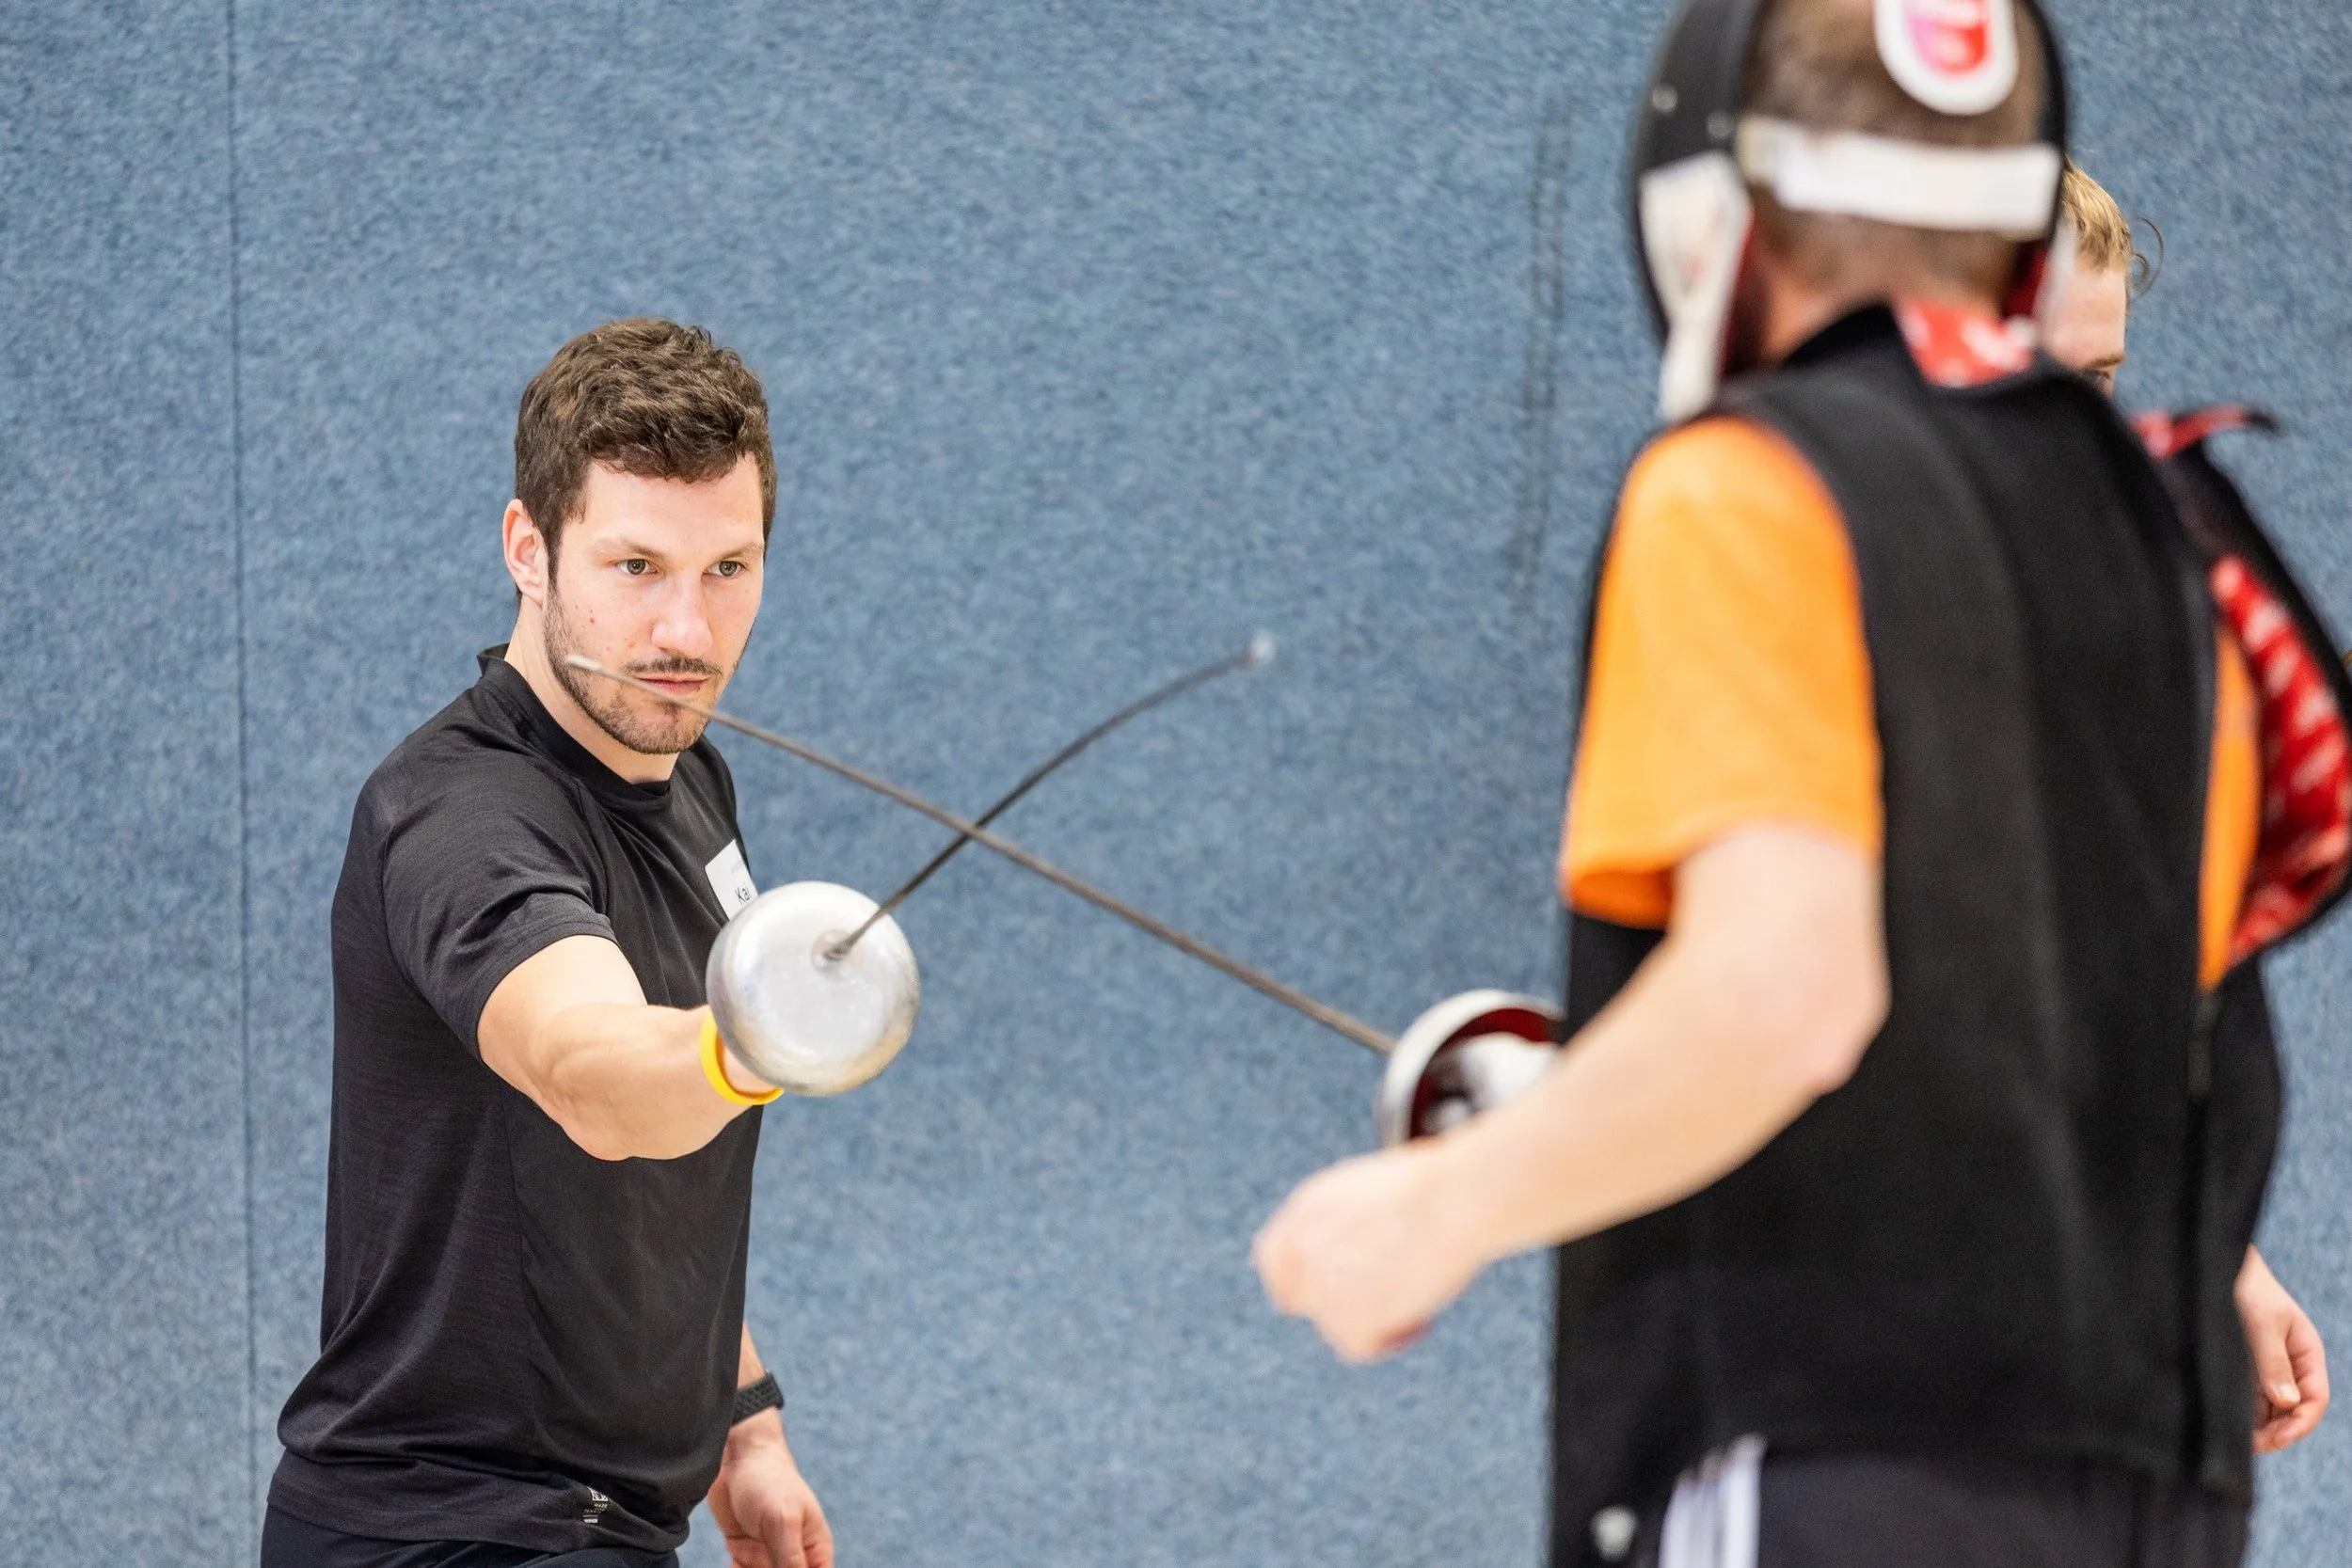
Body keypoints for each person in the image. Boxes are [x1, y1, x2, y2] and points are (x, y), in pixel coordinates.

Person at [1253, 2, 2352, 1565]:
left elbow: (1783, 992)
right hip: (2158, 1467)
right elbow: (2117, 1024)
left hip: (1850, 1446)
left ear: (1711, 208)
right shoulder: (2182, 547)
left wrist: (1436, 1213)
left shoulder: (1754, 483)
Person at [266, 319, 832, 1568]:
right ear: (530, 548)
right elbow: (599, 1073)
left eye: (728, 568)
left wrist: (739, 1419)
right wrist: (755, 1043)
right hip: (446, 1527)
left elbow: (650, 1180)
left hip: (607, 1519)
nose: (689, 628)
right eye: (636, 565)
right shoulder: (460, 819)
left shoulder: (692, 786)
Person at [2046, 160, 2332, 1457]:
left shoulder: (2120, 619)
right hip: (1918, 1391)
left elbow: (2135, 985)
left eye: (2099, 381)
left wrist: (2222, 1248)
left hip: (2127, 1387)